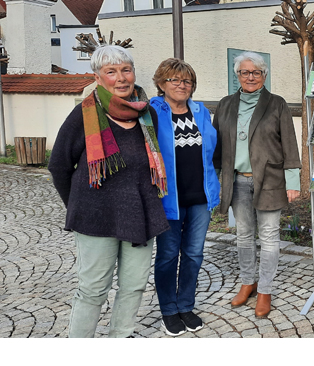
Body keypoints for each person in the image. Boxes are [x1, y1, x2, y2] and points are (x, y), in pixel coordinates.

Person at [48, 45, 169, 338]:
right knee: (93, 290)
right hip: (95, 217)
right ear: (98, 77)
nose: (121, 78)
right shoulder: (83, 114)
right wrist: (79, 204)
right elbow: (59, 166)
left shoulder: (146, 111)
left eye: (126, 70)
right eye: (111, 72)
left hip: (140, 214)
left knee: (134, 285)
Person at [213, 51, 301, 318]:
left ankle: (265, 289)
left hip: (270, 180)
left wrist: (293, 181)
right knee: (243, 235)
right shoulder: (226, 104)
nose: (250, 77)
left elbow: (289, 143)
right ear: (237, 75)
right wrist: (216, 180)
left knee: (270, 237)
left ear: (264, 75)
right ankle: (247, 282)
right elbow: (217, 148)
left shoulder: (277, 104)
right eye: (244, 72)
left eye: (256, 72)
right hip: (237, 180)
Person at [150, 58, 221, 336]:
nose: (182, 85)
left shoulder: (201, 111)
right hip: (168, 198)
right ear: (161, 83)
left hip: (200, 196)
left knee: (193, 254)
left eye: (187, 81)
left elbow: (212, 148)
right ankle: (169, 309)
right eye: (175, 80)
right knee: (168, 255)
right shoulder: (152, 113)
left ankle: (186, 305)